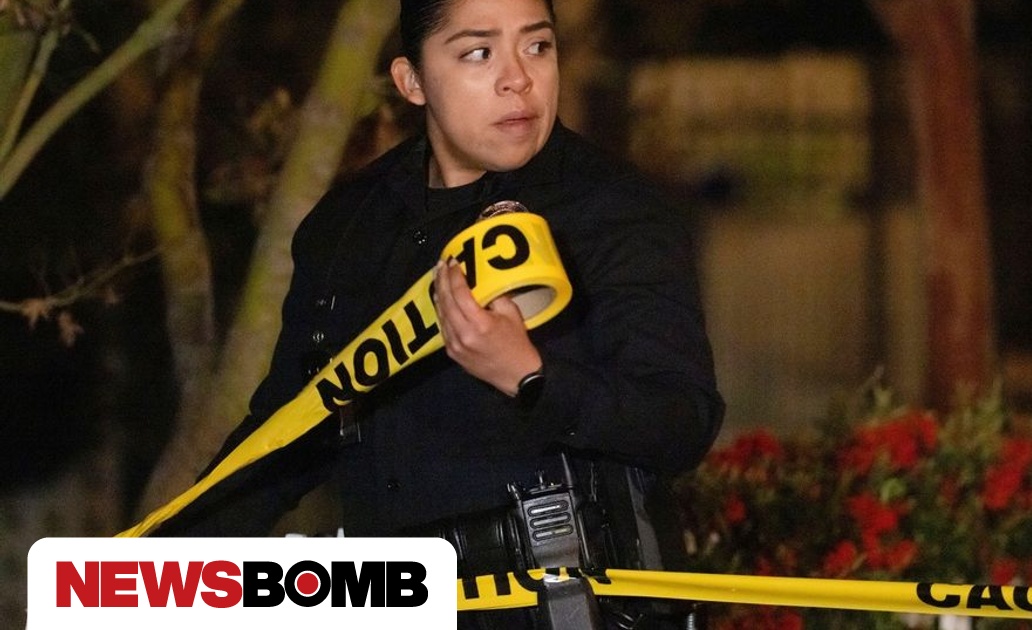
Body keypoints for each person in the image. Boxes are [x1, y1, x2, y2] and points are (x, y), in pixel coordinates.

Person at [159, 0, 724, 626]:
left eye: (537, 46)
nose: (518, 78)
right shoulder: (349, 227)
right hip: (393, 604)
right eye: (479, 53)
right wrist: (147, 569)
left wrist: (531, 378)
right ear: (412, 81)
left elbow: (681, 422)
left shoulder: (613, 211)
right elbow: (289, 432)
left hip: (570, 606)